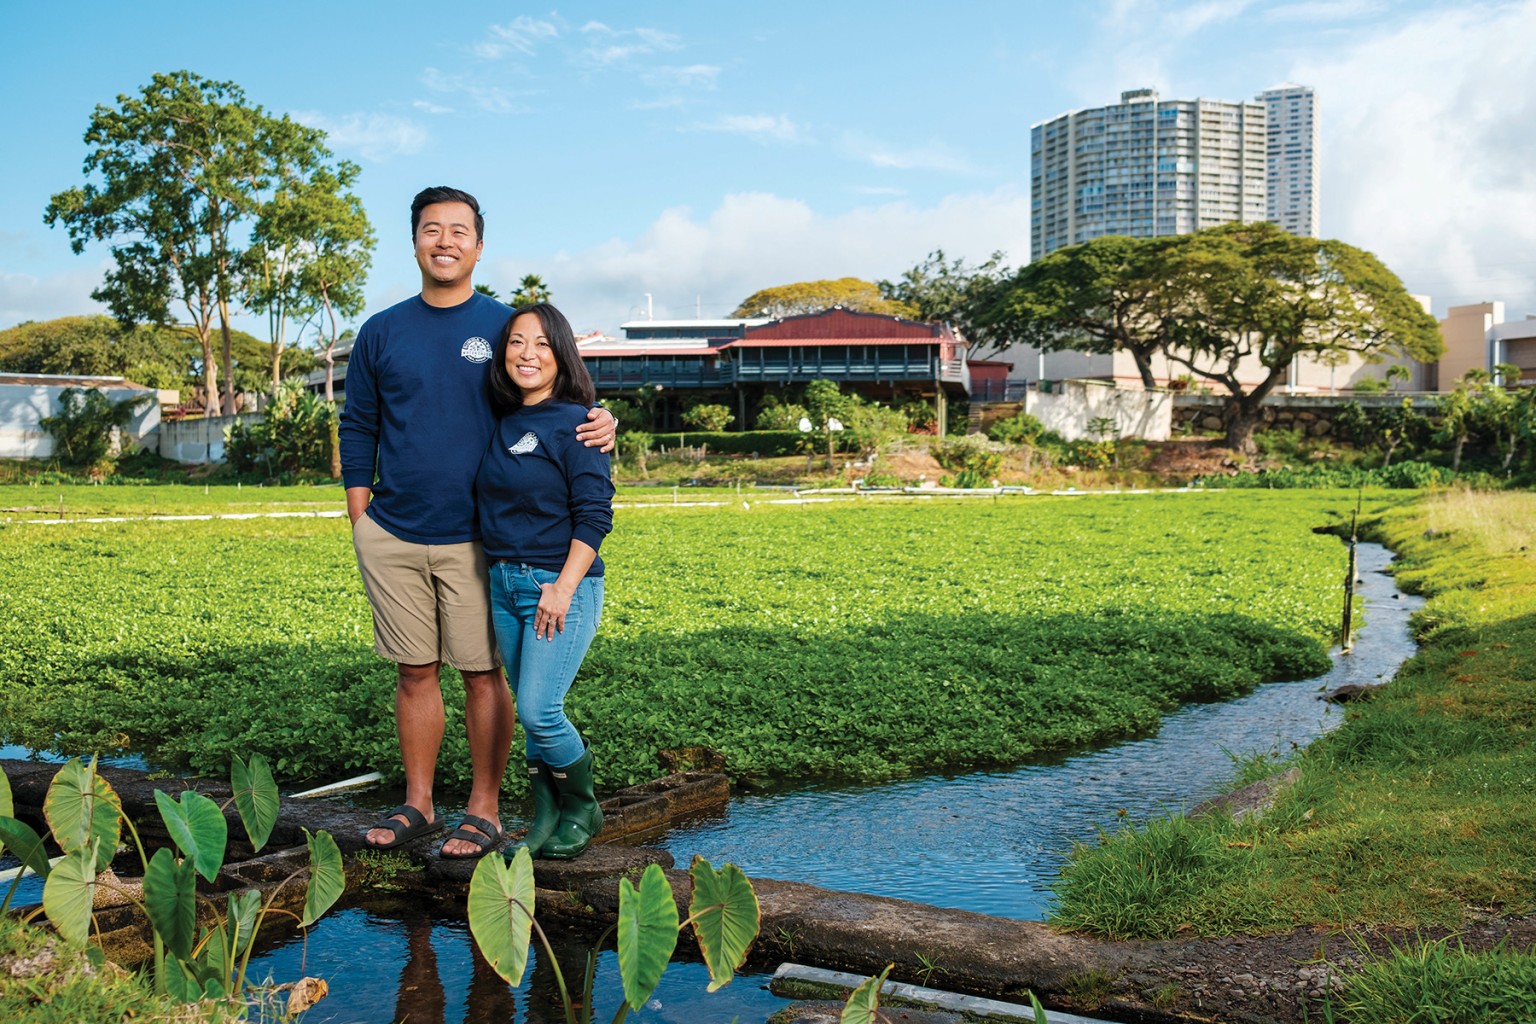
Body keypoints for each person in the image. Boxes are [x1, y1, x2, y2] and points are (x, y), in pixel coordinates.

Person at [340, 186, 615, 858]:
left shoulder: (501, 326)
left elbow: (550, 388)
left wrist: (604, 420)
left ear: (479, 245)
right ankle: (417, 803)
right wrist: (360, 516)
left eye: (459, 231)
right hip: (394, 532)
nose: (444, 241)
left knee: (482, 674)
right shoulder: (382, 330)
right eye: (431, 229)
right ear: (414, 242)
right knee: (413, 670)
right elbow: (359, 424)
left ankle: (484, 810)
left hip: (480, 541)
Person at [476, 302, 612, 860]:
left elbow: (595, 513)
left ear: (561, 355)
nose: (527, 354)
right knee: (531, 707)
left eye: (541, 344)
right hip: (504, 582)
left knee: (538, 708)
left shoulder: (579, 422)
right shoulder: (500, 419)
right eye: (515, 342)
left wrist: (561, 587)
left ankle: (584, 808)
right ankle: (546, 816)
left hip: (558, 585)